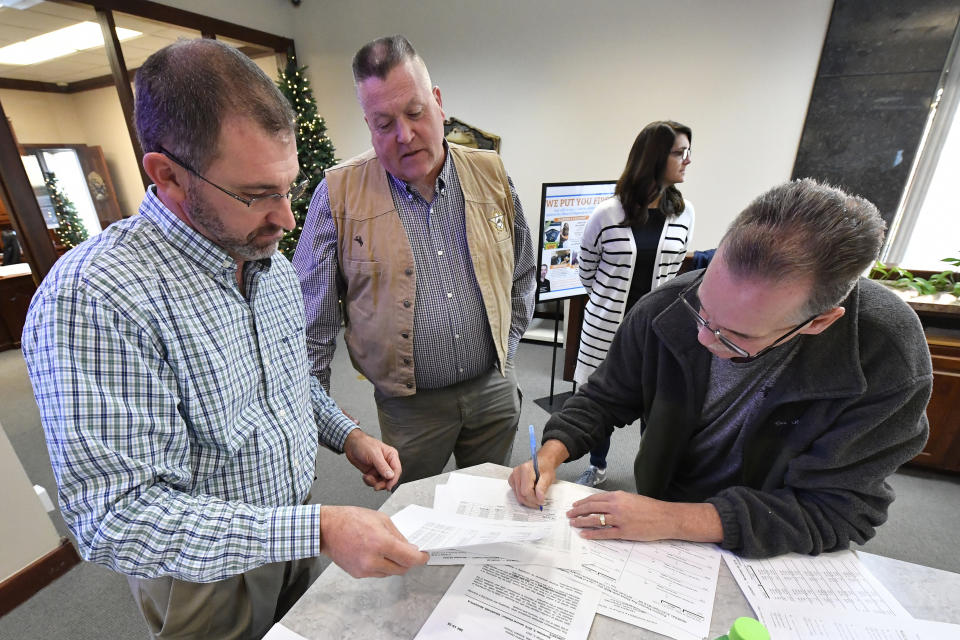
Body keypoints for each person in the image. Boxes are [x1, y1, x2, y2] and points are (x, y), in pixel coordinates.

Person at [21, 39, 427, 639]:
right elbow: (115, 517)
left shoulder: (267, 260)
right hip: (204, 581)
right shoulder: (97, 298)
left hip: (294, 530)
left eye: (288, 187)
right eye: (259, 194)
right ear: (167, 175)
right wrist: (317, 528)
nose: (287, 218)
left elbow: (287, 384)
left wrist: (349, 437)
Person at [510, 179, 932, 558]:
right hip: (665, 505)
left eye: (735, 336)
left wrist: (675, 520)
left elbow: (836, 510)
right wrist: (550, 454)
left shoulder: (886, 355)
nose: (703, 339)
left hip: (778, 541)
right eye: (704, 308)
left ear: (820, 321)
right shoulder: (667, 306)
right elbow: (606, 398)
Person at [294, 35, 536, 484]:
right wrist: (318, 415)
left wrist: (508, 346)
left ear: (438, 102)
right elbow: (311, 323)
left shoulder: (491, 174)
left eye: (415, 112)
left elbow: (522, 274)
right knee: (413, 520)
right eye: (384, 123)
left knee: (486, 505)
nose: (404, 136)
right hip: (409, 408)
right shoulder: (338, 195)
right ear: (368, 124)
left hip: (494, 391)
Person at [574, 121, 695, 487]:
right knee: (601, 399)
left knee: (656, 407)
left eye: (689, 152)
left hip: (659, 332)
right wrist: (611, 303)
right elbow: (586, 271)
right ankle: (597, 465)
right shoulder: (607, 214)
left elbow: (674, 274)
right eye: (679, 152)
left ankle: (650, 476)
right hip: (606, 329)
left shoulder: (685, 212)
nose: (688, 160)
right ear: (654, 157)